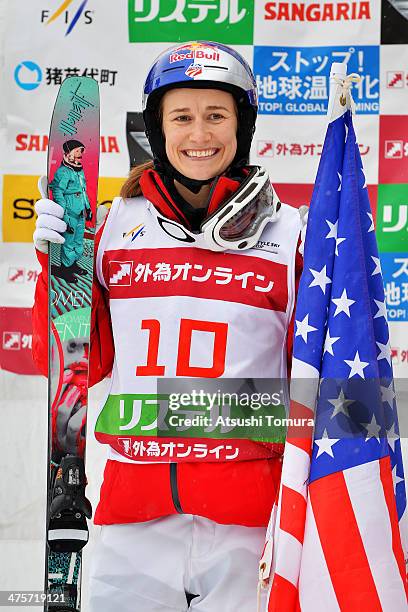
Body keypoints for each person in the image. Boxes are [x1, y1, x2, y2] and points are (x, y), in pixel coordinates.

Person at [32, 41, 305, 612]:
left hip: (250, 521)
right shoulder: (112, 227)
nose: (199, 134)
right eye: (181, 117)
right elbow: (75, 363)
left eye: (216, 115)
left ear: (242, 125)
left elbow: (318, 381)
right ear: (158, 129)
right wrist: (60, 267)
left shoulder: (290, 236)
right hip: (133, 520)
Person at [48, 139, 92, 282]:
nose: (81, 153)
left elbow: (83, 191)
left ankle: (72, 265)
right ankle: (65, 269)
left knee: (79, 242)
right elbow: (58, 192)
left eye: (82, 150)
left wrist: (88, 208)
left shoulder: (79, 171)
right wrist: (64, 215)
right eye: (77, 150)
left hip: (80, 214)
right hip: (70, 214)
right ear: (68, 153)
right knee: (69, 242)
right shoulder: (63, 172)